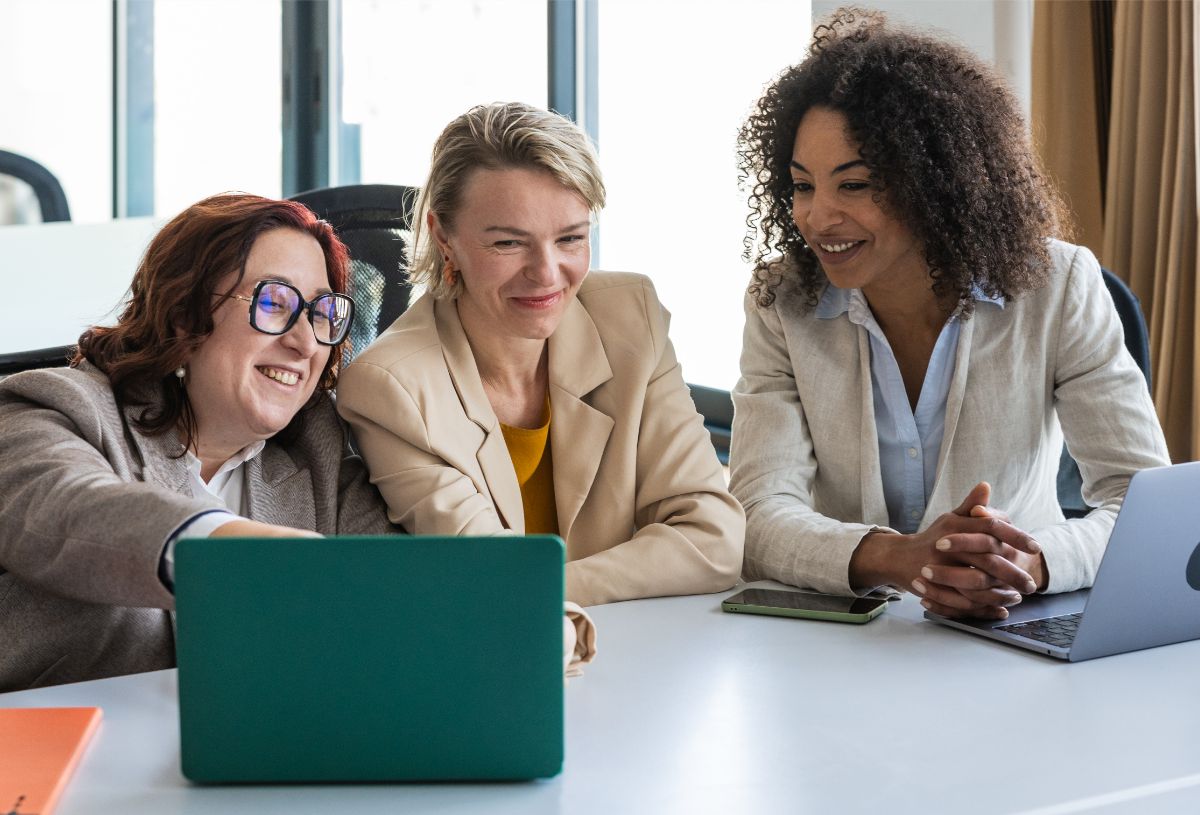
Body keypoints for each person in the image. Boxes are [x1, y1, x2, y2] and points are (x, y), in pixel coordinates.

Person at [730, 9, 1170, 620]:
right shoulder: (783, 300)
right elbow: (756, 512)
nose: (817, 217)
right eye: (803, 186)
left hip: (1012, 627)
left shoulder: (1060, 283)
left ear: (935, 182)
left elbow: (1142, 505)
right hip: (839, 643)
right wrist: (895, 556)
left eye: (853, 186)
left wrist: (1034, 562)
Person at [337, 102, 745, 607]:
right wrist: (636, 568)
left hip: (637, 647)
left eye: (571, 238)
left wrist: (551, 589)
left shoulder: (631, 318)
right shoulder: (390, 387)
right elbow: (495, 578)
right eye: (509, 243)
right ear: (444, 237)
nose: (547, 274)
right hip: (497, 660)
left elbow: (714, 537)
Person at [0, 193, 397, 691]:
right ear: (184, 313)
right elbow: (67, 510)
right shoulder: (56, 406)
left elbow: (395, 589)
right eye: (274, 302)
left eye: (321, 313)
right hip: (45, 753)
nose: (306, 341)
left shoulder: (317, 452)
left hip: (241, 753)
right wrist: (228, 549)